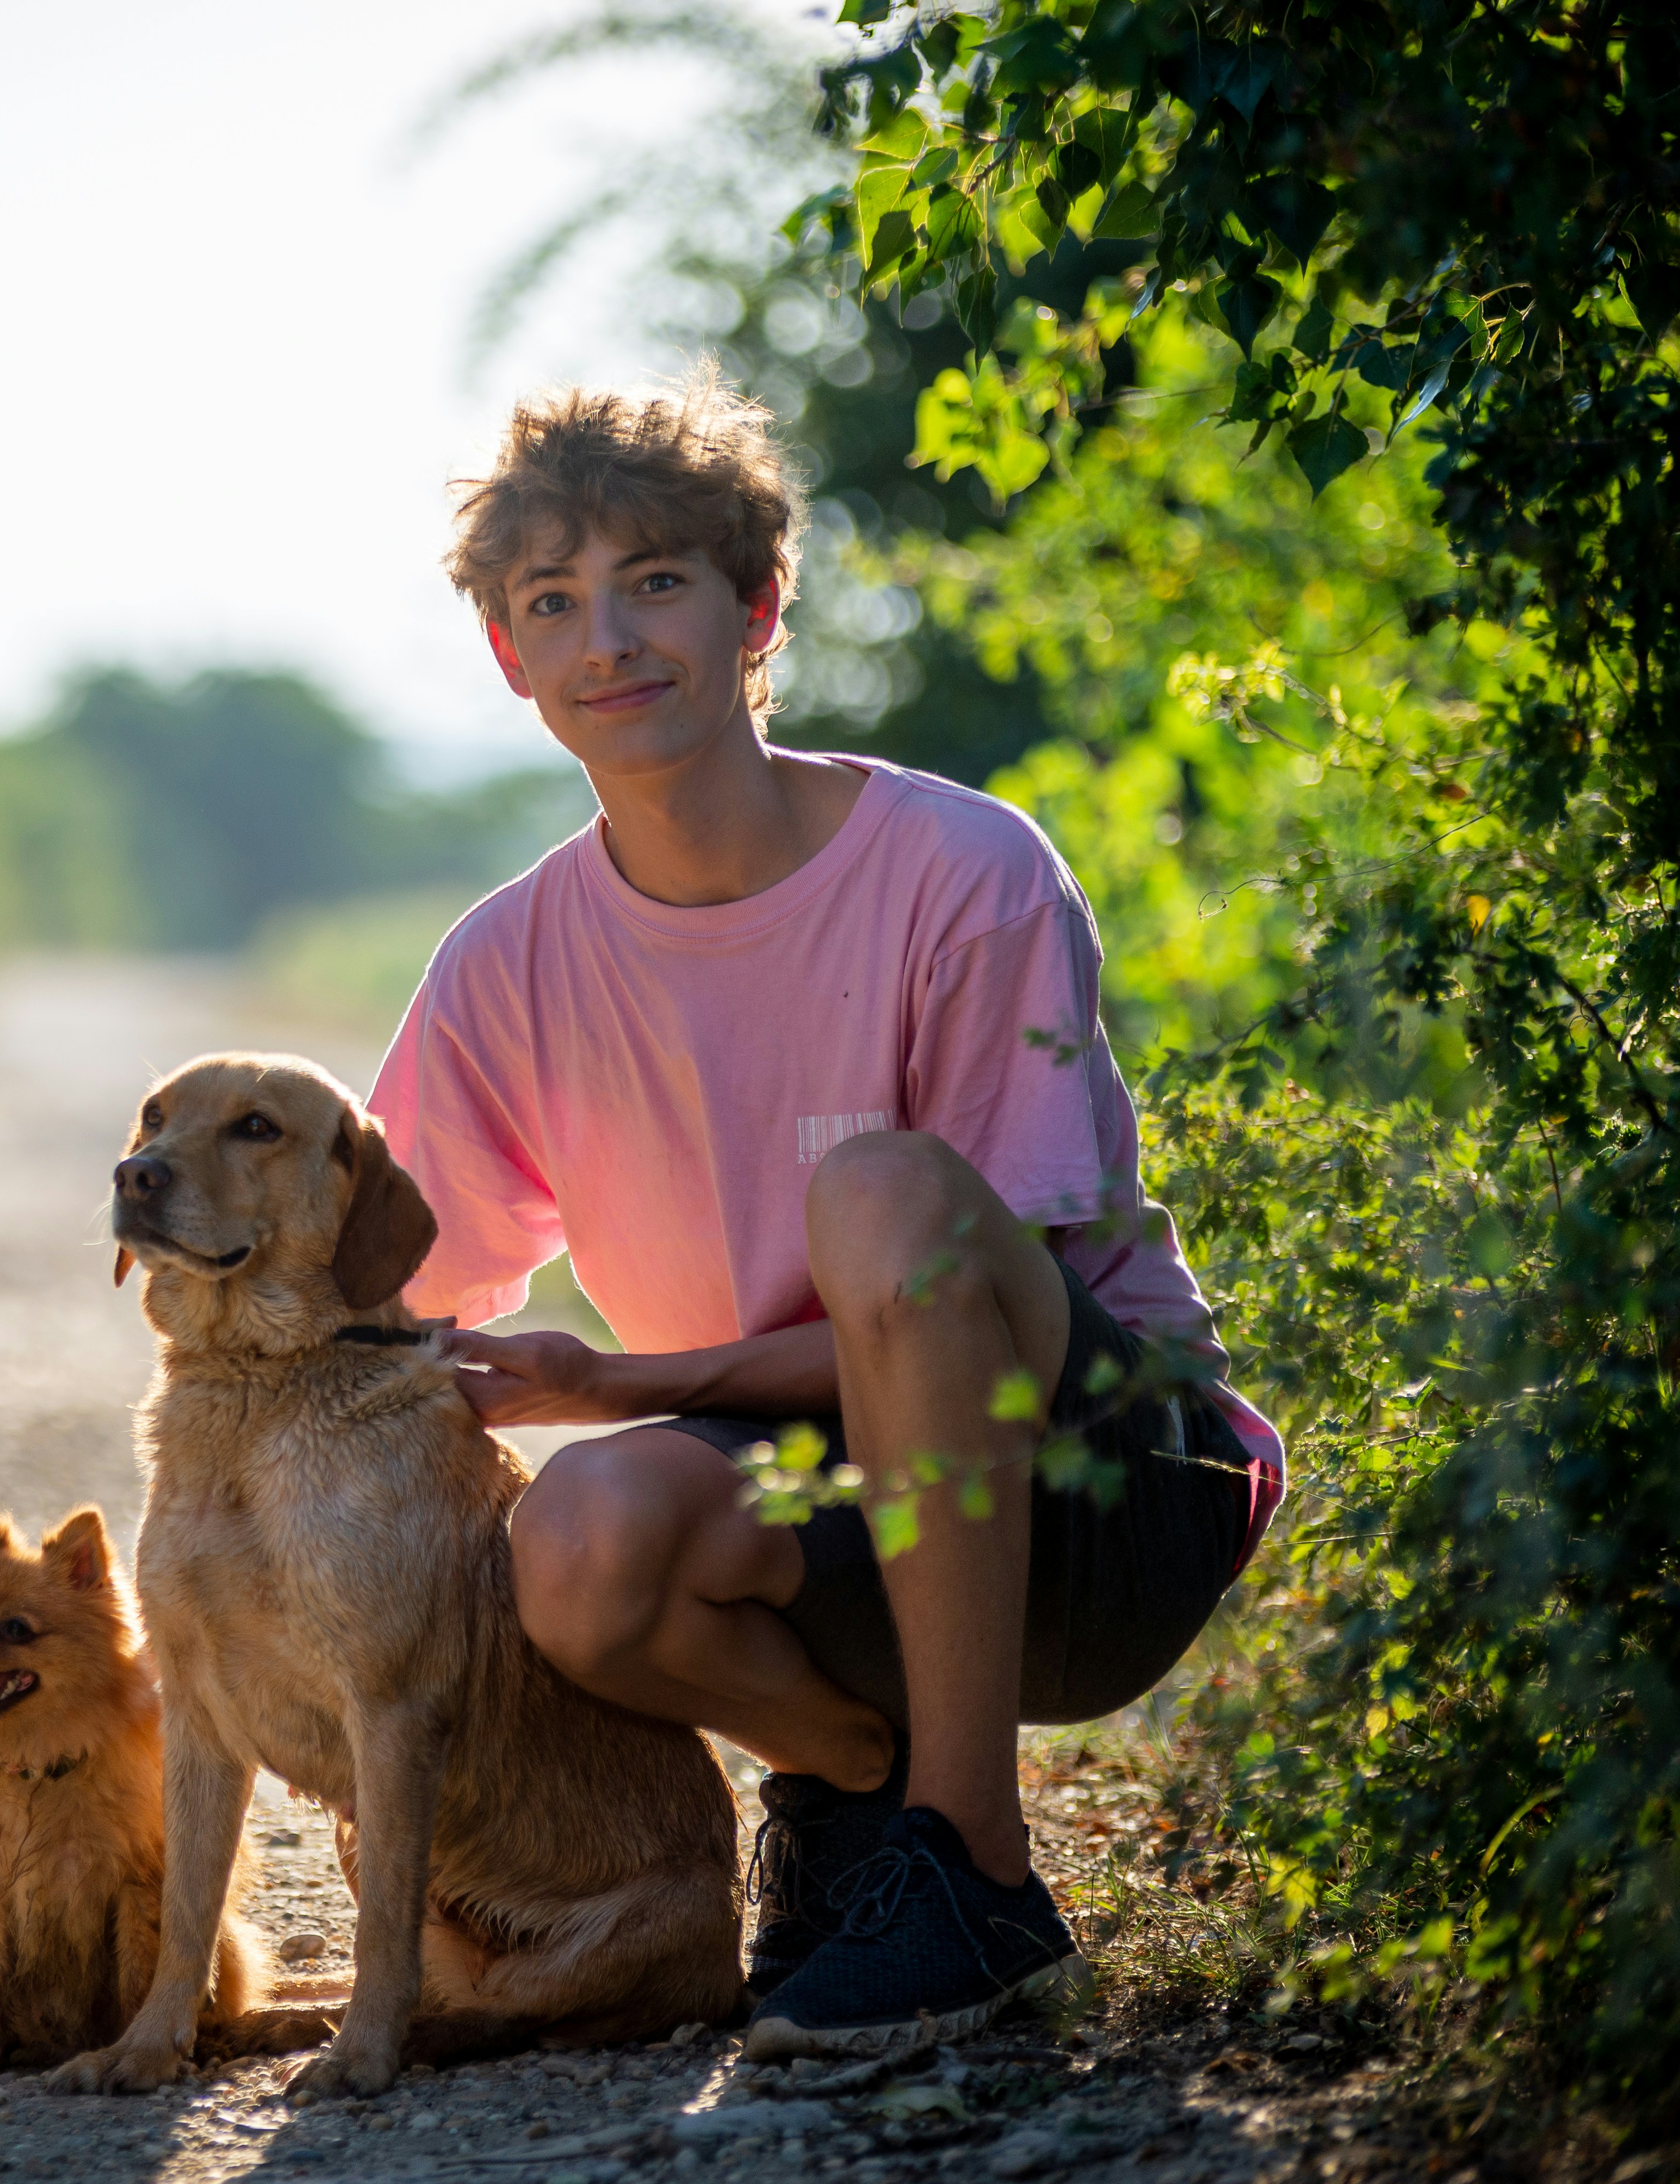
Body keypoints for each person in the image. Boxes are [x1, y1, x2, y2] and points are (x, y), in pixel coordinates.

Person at [368, 367, 1286, 2059]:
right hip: (827, 1513)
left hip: (1108, 1489)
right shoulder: (506, 965)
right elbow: (374, 1299)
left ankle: (975, 1868)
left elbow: (939, 1298)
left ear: (755, 606)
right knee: (571, 1547)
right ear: (509, 657)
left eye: (656, 581)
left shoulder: (964, 868)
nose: (609, 640)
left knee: (878, 1200)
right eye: (550, 603)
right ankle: (854, 1799)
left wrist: (634, 1384)